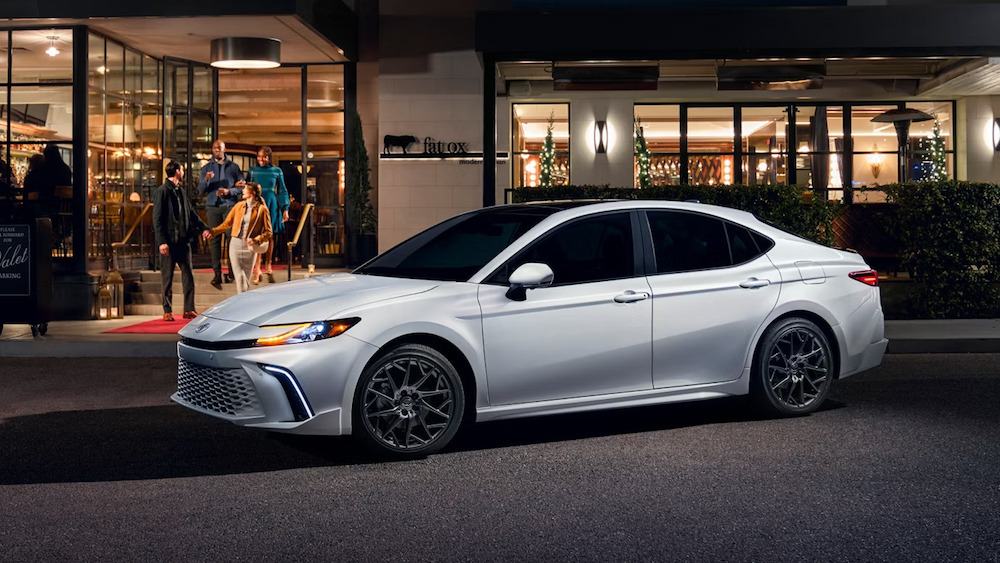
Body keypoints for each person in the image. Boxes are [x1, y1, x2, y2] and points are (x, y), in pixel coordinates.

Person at [153, 160, 209, 321]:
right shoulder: (162, 191)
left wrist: (204, 228)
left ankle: (189, 309)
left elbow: (191, 214)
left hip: (183, 241)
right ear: (177, 171)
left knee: (188, 275)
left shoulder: (181, 192)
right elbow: (157, 219)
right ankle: (167, 310)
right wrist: (161, 241)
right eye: (182, 169)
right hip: (169, 242)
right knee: (167, 277)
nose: (183, 172)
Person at [203, 182, 272, 294]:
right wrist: (213, 232)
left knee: (247, 278)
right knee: (239, 276)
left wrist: (256, 239)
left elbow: (269, 232)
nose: (243, 191)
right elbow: (226, 224)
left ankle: (244, 302)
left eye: (245, 189)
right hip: (235, 244)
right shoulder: (238, 206)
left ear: (252, 193)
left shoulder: (262, 209)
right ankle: (242, 301)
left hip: (249, 247)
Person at [197, 139, 245, 290]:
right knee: (214, 241)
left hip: (229, 207)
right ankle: (217, 273)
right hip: (212, 207)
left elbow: (242, 186)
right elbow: (200, 190)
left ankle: (232, 271)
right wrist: (206, 180)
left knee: (232, 238)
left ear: (224, 150)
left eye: (219, 148)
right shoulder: (206, 169)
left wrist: (229, 191)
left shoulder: (234, 167)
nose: (217, 150)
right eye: (214, 148)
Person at [246, 145, 288, 284]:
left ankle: (268, 264)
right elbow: (247, 187)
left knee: (269, 234)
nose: (261, 159)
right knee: (257, 234)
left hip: (271, 203)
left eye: (264, 156)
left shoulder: (277, 171)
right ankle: (257, 269)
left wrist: (285, 208)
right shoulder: (252, 171)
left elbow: (282, 190)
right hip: (256, 203)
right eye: (259, 156)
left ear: (269, 157)